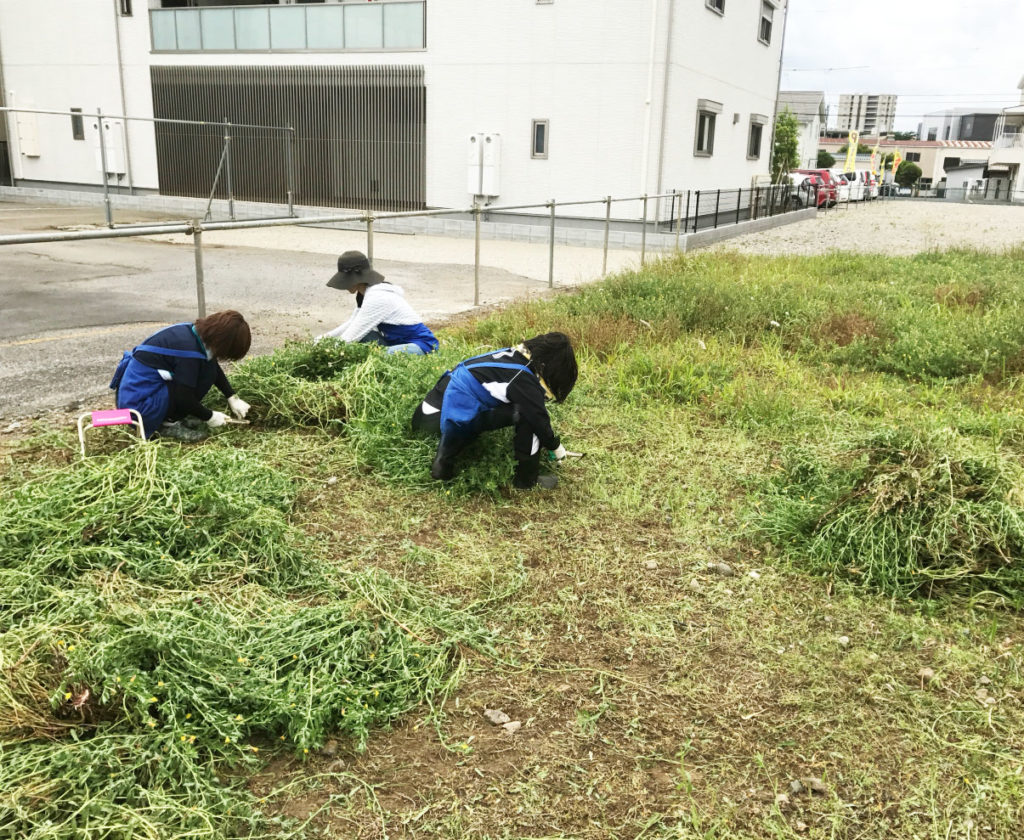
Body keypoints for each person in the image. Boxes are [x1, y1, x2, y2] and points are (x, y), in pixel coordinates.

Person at [411, 332, 578, 489]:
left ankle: (447, 456)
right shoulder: (522, 377)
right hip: (436, 421)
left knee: (526, 410)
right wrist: (554, 446)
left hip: (425, 415)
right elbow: (539, 419)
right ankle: (527, 480)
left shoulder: (512, 356)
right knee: (528, 416)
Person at [109, 310, 252, 442]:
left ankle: (171, 416)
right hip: (139, 408)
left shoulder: (194, 333)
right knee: (202, 377)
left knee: (206, 370)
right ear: (224, 344)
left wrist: (232, 397)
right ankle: (168, 425)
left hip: (136, 395)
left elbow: (212, 365)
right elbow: (183, 396)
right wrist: (209, 416)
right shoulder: (189, 355)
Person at [317, 250, 438, 354]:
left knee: (372, 357)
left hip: (421, 346)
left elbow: (350, 337)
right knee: (365, 339)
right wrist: (320, 340)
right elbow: (352, 323)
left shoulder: (377, 297)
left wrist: (325, 351)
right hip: (396, 343)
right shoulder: (364, 294)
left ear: (356, 278)